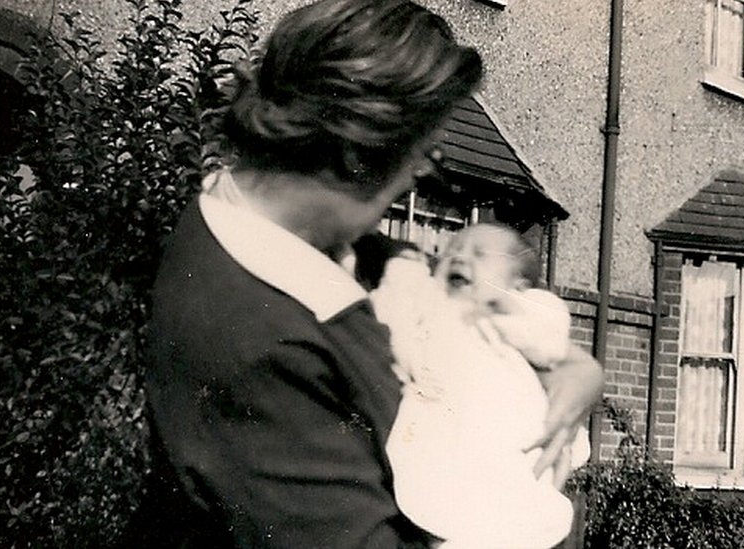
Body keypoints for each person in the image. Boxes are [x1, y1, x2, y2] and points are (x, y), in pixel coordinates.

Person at [136, 1, 604, 547]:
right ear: (359, 156)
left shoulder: (324, 243)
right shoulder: (255, 346)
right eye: (422, 153)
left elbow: (480, 299)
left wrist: (575, 367)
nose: (424, 172)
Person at [371, 224, 590, 548]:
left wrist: (503, 305)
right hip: (444, 450)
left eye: (479, 253)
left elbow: (550, 335)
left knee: (521, 516)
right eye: (451, 250)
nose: (459, 255)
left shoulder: (517, 321)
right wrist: (405, 275)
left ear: (518, 285)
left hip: (509, 453)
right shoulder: (431, 314)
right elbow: (394, 320)